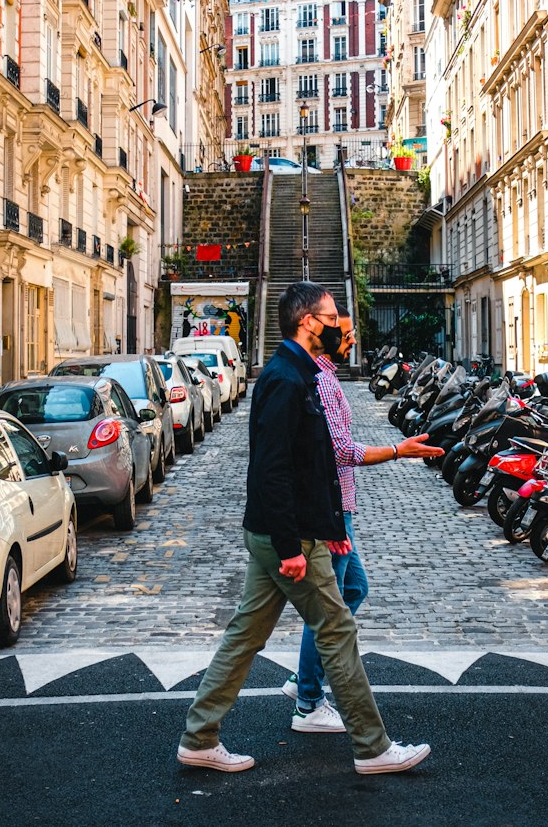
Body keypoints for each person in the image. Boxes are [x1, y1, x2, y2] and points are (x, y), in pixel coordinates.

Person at [177, 281, 431, 776]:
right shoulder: (286, 380)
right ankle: (373, 747)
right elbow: (272, 470)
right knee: (336, 628)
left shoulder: (302, 375)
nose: (340, 326)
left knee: (244, 635)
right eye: (333, 317)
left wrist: (332, 525)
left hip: (287, 532)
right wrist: (294, 544)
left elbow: (313, 464)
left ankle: (198, 737)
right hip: (285, 538)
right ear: (309, 322)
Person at [283, 313, 443, 722]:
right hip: (331, 510)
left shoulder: (322, 375)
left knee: (352, 589)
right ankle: (308, 699)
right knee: (328, 607)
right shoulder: (320, 380)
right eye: (348, 334)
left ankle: (306, 674)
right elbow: (338, 450)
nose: (353, 341)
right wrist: (396, 450)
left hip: (339, 508)